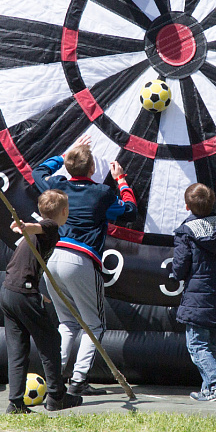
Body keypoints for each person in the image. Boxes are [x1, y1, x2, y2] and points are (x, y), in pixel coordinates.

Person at [32, 134, 137, 396]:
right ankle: (78, 381)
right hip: (81, 260)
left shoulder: (57, 186)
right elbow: (130, 211)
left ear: (67, 165)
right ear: (93, 169)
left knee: (66, 324)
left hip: (52, 258)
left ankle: (52, 380)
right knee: (94, 325)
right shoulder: (102, 193)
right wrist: (121, 180)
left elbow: (38, 171)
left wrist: (65, 153)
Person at [0, 189, 83, 414]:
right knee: (51, 342)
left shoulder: (36, 234)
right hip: (22, 294)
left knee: (17, 350)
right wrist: (27, 226)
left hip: (9, 292)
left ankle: (15, 403)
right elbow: (42, 227)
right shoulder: (51, 228)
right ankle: (56, 396)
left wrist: (38, 292)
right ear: (64, 211)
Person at [172, 183, 216, 402]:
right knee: (215, 345)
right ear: (213, 203)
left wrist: (176, 275)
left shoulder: (186, 232)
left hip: (197, 298)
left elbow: (181, 265)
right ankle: (209, 390)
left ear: (187, 206)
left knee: (197, 345)